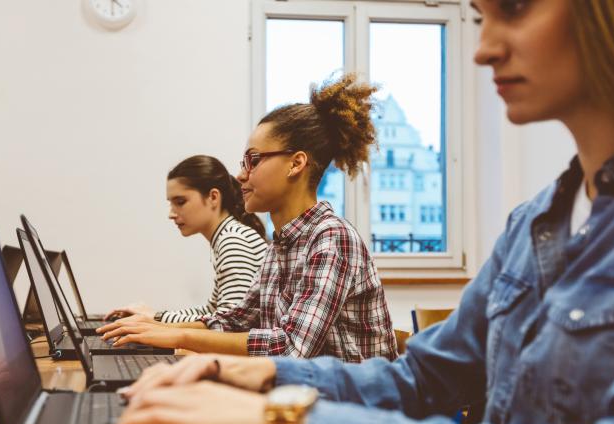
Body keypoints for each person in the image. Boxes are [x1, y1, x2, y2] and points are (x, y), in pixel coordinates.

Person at [109, 0, 614, 424]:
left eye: (514, 9)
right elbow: (423, 377)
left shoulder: (332, 238)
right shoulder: (534, 222)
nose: (481, 49)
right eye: (478, 17)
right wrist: (258, 372)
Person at [98, 74, 399, 362]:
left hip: (354, 407)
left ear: (296, 164)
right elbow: (235, 321)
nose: (241, 174)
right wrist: (159, 329)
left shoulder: (332, 238)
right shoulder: (280, 247)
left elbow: (290, 348)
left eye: (253, 160)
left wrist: (178, 338)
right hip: (305, 395)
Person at [103, 155, 267, 323]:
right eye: (171, 204)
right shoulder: (228, 236)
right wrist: (151, 315)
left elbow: (228, 324)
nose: (171, 214)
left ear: (213, 197)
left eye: (180, 202)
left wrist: (156, 318)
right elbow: (211, 311)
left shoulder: (233, 240)